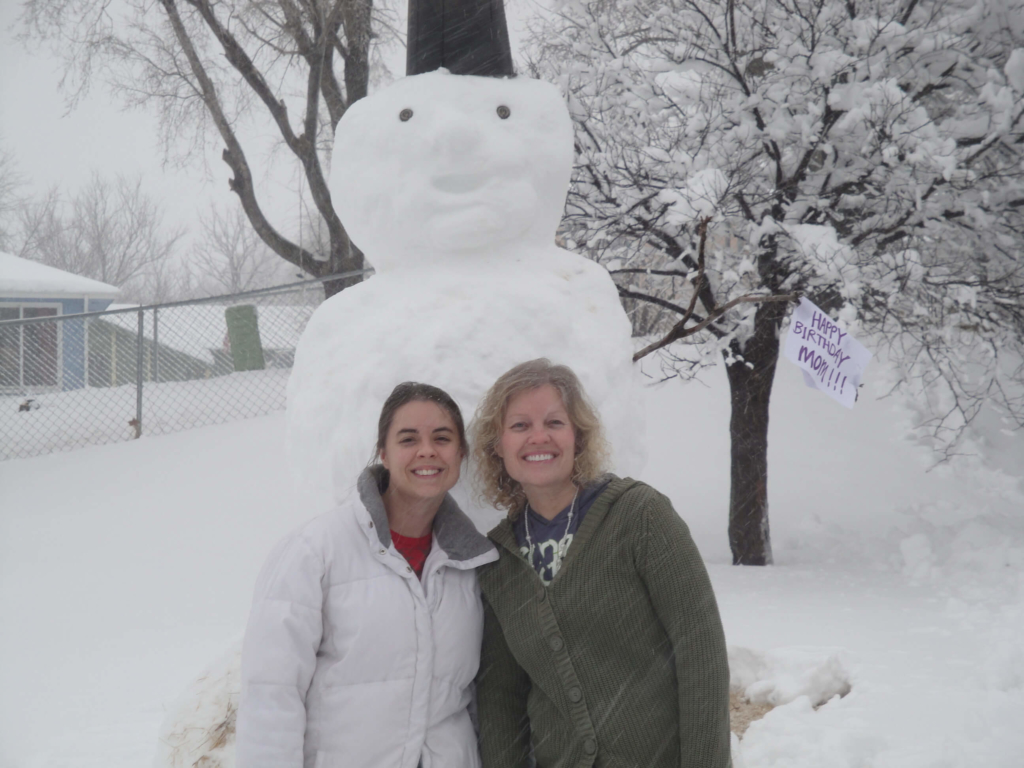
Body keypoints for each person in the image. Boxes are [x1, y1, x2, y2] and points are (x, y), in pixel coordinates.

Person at [471, 359, 731, 768]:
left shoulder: (640, 517)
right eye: (520, 426)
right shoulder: (498, 559)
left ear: (578, 436)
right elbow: (500, 697)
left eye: (554, 422)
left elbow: (701, 655)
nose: (538, 437)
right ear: (498, 446)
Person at [237, 382, 498, 768]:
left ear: (460, 454)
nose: (427, 450)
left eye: (442, 438)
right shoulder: (315, 551)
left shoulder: (473, 565)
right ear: (384, 454)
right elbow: (271, 693)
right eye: (408, 439)